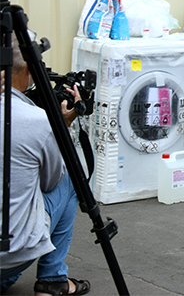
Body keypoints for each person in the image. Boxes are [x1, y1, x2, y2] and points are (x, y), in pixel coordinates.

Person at [0, 34, 91, 296]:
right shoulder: (37, 121)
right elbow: (51, 181)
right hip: (9, 257)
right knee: (70, 180)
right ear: (29, 69)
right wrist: (61, 127)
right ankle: (52, 280)